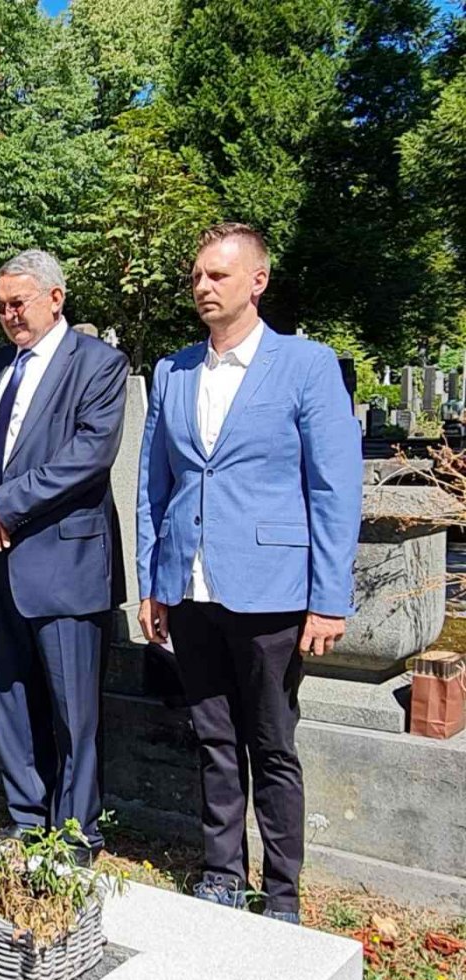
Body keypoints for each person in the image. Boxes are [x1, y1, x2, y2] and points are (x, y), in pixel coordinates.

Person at [135, 223, 362, 923]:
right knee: (212, 737)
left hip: (272, 588)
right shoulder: (173, 372)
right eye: (197, 276)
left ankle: (283, 892)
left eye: (219, 275)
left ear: (257, 281)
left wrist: (328, 598)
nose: (203, 287)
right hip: (191, 587)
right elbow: (153, 487)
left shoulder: (306, 366)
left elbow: (334, 488)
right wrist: (153, 583)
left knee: (271, 742)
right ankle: (222, 872)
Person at [0, 250, 127, 865]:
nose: (8, 315)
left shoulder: (98, 365)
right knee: (10, 699)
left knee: (74, 710)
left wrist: (1, 505)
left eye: (17, 303)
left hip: (65, 564)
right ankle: (26, 817)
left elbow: (88, 456)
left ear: (56, 298)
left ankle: (76, 832)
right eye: (0, 306)